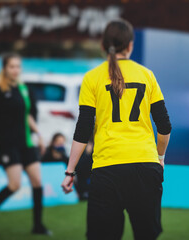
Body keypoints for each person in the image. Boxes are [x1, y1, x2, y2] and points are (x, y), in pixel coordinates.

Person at [61, 19, 171, 240]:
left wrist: (70, 171)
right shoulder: (147, 75)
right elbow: (164, 125)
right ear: (130, 45)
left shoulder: (92, 78)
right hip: (145, 167)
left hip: (107, 169)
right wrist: (159, 157)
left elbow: (83, 130)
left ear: (103, 46)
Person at [0, 53, 50, 235]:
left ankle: (38, 226)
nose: (15, 70)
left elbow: (27, 116)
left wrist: (39, 135)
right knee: (15, 185)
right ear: (5, 69)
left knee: (37, 181)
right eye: (11, 66)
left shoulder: (24, 89)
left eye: (18, 66)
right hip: (7, 144)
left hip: (25, 142)